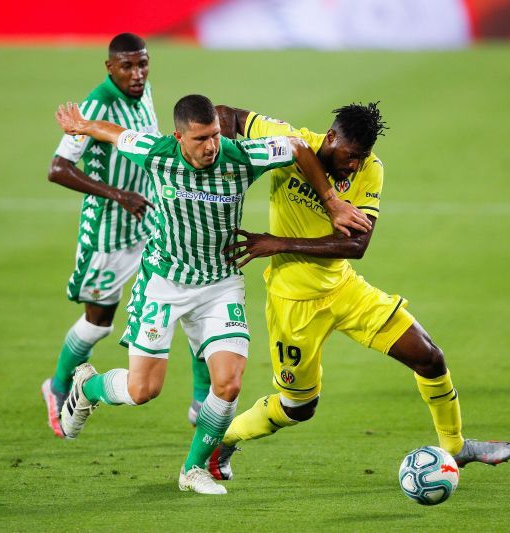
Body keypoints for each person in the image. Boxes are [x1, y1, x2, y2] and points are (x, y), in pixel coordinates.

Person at [53, 95, 372, 494]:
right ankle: (88, 388)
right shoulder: (156, 152)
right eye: (201, 139)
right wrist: (82, 125)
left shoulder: (239, 156)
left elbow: (297, 147)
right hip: (164, 282)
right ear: (179, 138)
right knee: (142, 391)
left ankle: (193, 469)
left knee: (230, 383)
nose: (211, 147)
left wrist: (332, 202)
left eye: (216, 136)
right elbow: (116, 134)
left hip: (220, 282)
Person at [207, 103, 510, 481]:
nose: (354, 165)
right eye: (350, 156)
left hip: (343, 288)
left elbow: (356, 246)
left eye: (362, 158)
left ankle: (454, 445)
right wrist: (218, 159)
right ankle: (223, 440)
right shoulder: (292, 142)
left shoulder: (371, 170)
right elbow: (228, 114)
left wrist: (277, 242)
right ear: (332, 138)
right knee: (297, 408)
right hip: (293, 303)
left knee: (429, 357)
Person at [40, 33, 212, 438]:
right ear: (110, 67)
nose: (137, 74)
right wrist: (117, 194)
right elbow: (58, 168)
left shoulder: (145, 91)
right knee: (99, 323)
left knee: (190, 294)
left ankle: (202, 399)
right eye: (128, 66)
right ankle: (59, 386)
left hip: (151, 218)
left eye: (143, 64)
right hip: (108, 232)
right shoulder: (96, 106)